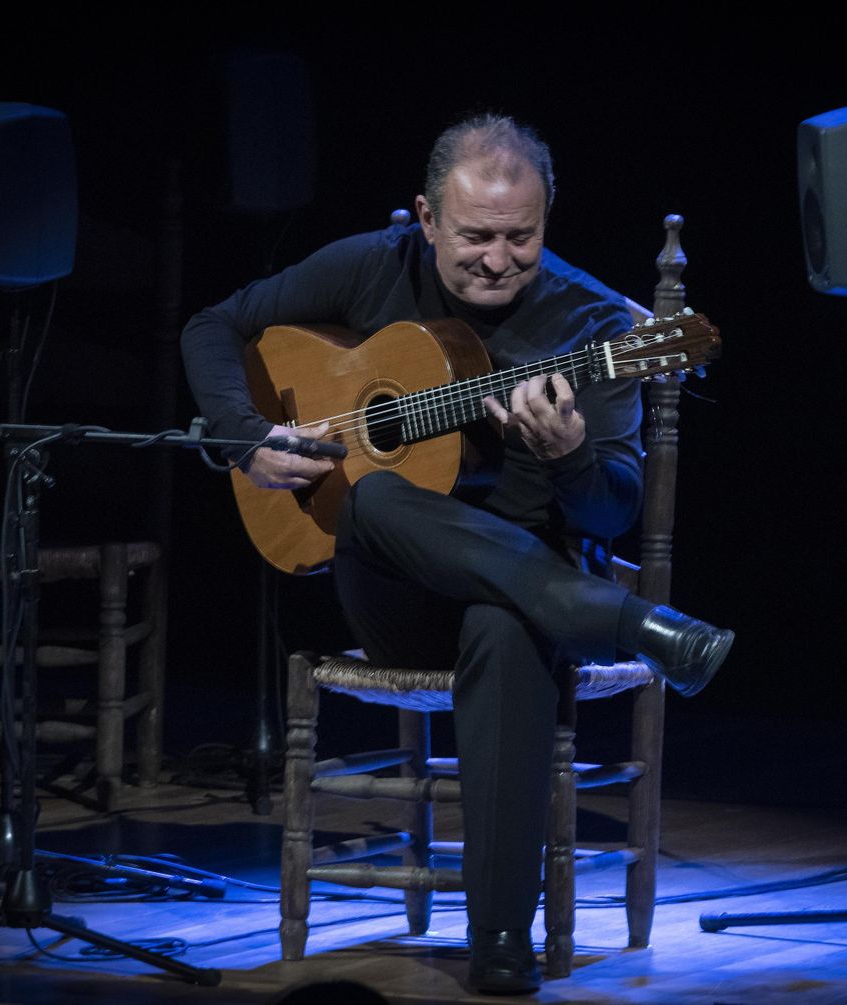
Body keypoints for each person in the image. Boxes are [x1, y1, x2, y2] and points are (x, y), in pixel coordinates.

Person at [181, 113, 733, 995]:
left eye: (523, 237)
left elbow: (614, 508)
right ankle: (632, 623)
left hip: (520, 601)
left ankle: (502, 945)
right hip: (392, 592)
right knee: (380, 493)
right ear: (426, 219)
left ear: (548, 221)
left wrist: (569, 453)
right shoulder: (374, 263)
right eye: (475, 236)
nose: (499, 258)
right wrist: (247, 439)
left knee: (507, 623)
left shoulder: (596, 326)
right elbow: (213, 325)